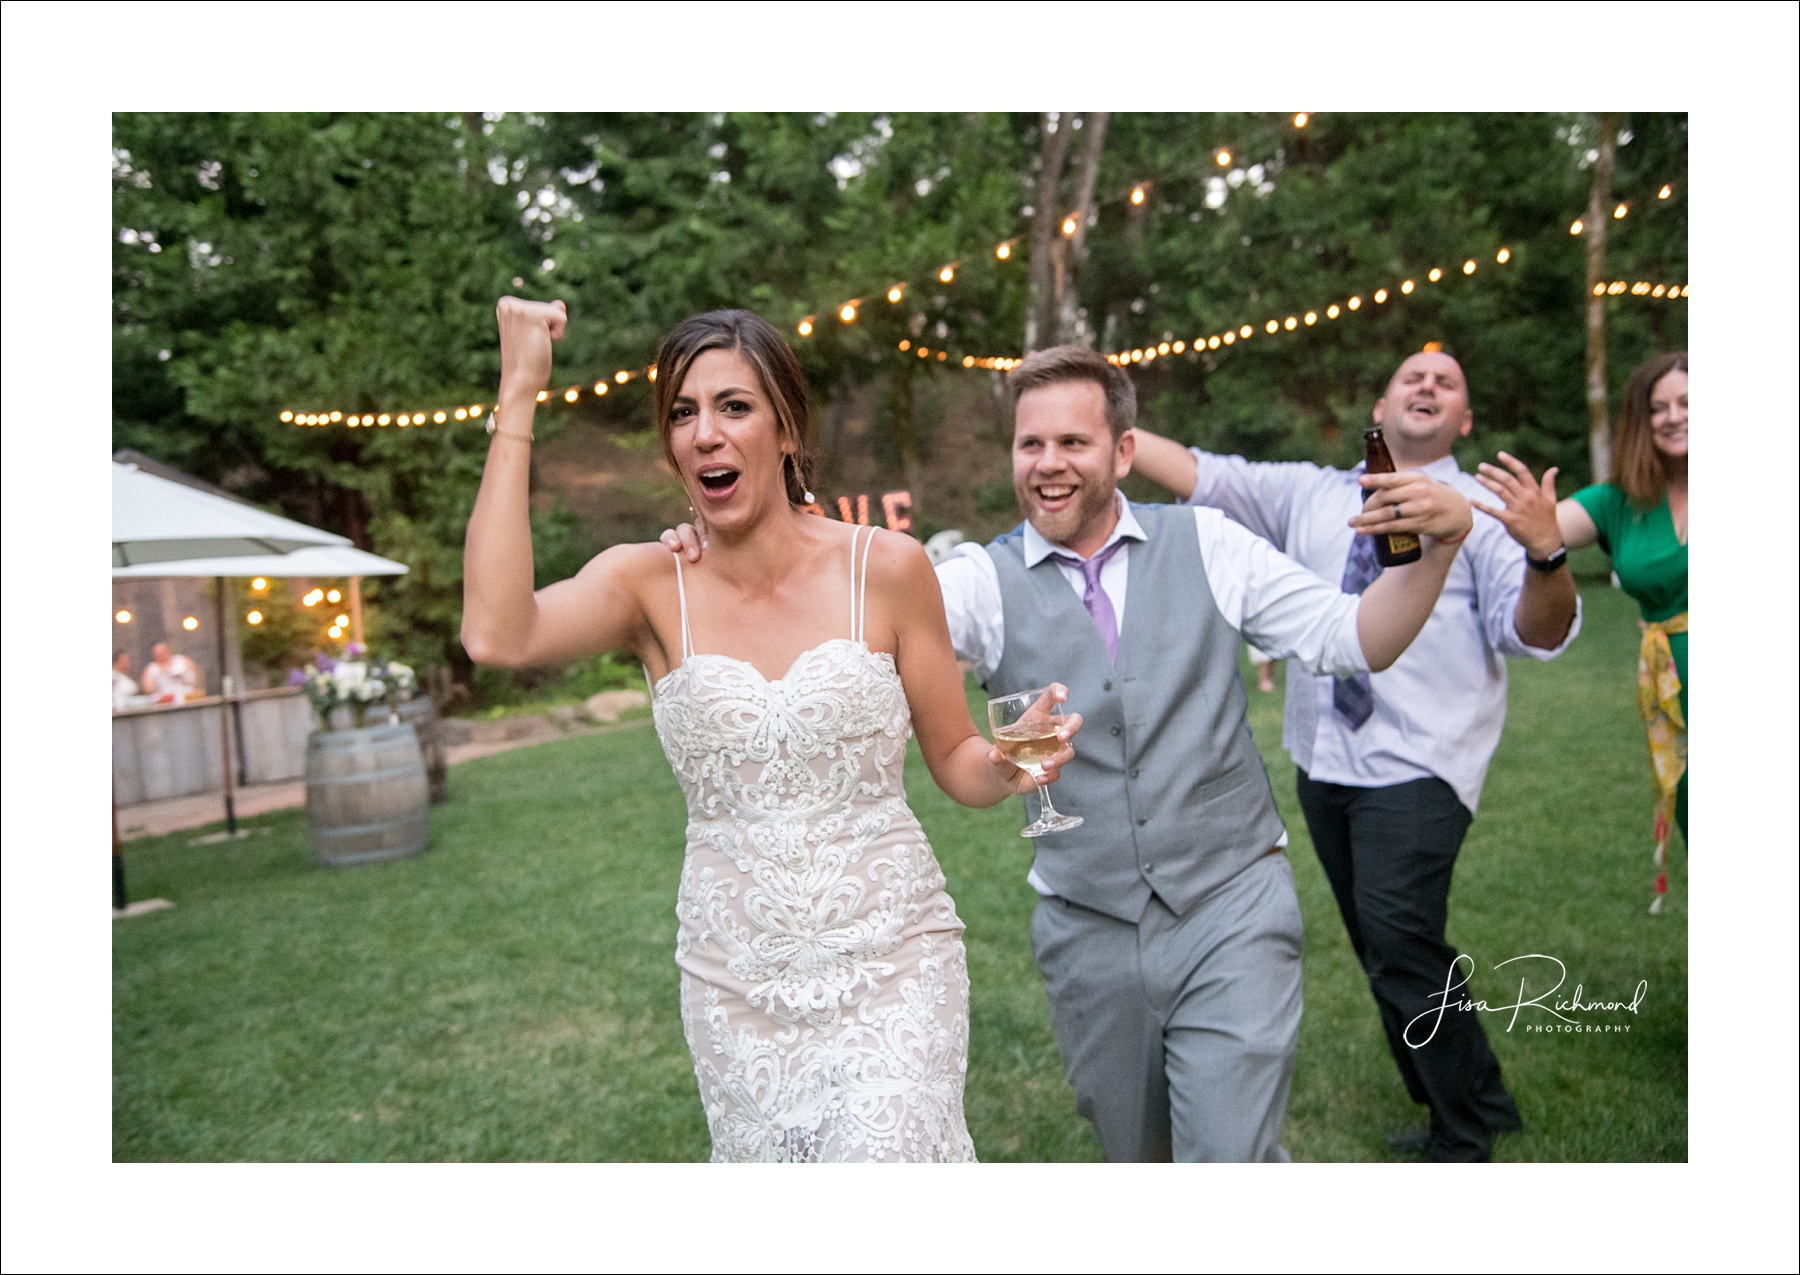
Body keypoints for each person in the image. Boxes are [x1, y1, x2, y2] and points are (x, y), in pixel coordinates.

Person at [669, 344, 1473, 1162]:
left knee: (1229, 1159)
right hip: (1088, 928)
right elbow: (845, 631)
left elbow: (1355, 637)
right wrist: (727, 553)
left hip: (1231, 905)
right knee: (1136, 1161)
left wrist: (1439, 549)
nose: (1048, 465)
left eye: (1072, 443)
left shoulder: (1209, 542)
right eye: (1030, 445)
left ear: (1123, 452)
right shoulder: (978, 580)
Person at [461, 300, 1080, 1163]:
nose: (706, 433)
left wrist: (1010, 767)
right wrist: (519, 395)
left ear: (786, 427)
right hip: (734, 982)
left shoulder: (887, 567)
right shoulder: (650, 584)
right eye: (683, 413)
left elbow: (953, 758)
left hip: (892, 960)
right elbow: (497, 633)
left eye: (733, 406)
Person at [1130, 349, 1582, 1162]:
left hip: (1422, 765)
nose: (1429, 384)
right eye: (1413, 375)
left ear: (1465, 422)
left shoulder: (1477, 509)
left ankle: (1463, 1132)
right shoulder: (1312, 492)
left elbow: (1536, 631)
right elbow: (1202, 473)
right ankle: (1478, 1090)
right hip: (1323, 760)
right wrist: (1107, 428)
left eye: (1449, 381)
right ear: (1382, 402)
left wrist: (1547, 555)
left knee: (1401, 939)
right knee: (1385, 948)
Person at [1537, 351, 1686, 912]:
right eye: (1658, 407)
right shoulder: (1619, 502)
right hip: (1677, 701)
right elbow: (1537, 528)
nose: (1673, 416)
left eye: (1688, 402)